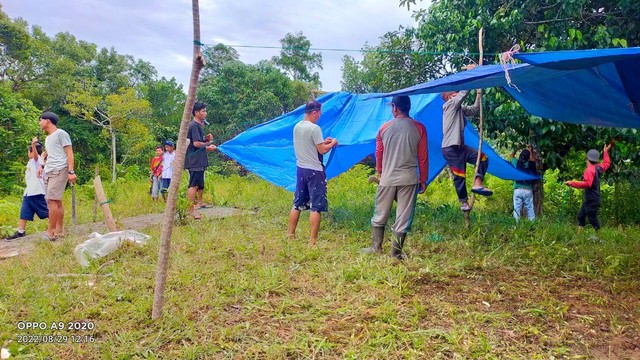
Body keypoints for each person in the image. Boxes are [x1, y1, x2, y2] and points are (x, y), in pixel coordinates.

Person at [363, 95, 428, 260]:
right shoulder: (419, 128)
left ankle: (375, 247)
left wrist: (379, 171)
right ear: (408, 107)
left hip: (387, 178)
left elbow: (379, 153)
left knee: (380, 213)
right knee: (403, 217)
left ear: (395, 108)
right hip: (409, 179)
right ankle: (396, 254)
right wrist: (423, 179)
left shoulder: (384, 128)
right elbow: (423, 157)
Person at [287, 100, 338, 245]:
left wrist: (324, 142)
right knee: (316, 206)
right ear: (314, 112)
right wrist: (333, 143)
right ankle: (312, 241)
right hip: (314, 171)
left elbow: (312, 145)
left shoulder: (297, 127)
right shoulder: (315, 129)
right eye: (320, 113)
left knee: (297, 203)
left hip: (301, 169)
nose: (320, 116)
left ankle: (290, 235)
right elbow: (321, 150)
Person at [441, 85, 491, 212]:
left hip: (461, 147)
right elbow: (463, 94)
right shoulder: (450, 105)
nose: (457, 94)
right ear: (448, 97)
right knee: (460, 175)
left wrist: (478, 95)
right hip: (450, 148)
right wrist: (472, 77)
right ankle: (463, 202)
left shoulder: (459, 108)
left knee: (483, 158)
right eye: (455, 93)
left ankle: (477, 183)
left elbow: (474, 110)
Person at [36, 112, 77, 240]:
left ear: (47, 121)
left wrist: (71, 171)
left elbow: (69, 152)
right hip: (49, 170)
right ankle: (59, 230)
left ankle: (50, 232)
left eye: (40, 120)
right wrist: (42, 166)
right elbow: (51, 153)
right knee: (56, 201)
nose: (39, 123)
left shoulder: (61, 134)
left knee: (51, 200)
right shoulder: (48, 138)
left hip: (60, 169)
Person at [4, 138, 49, 241]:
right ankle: (21, 231)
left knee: (45, 212)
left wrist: (33, 145)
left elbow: (36, 157)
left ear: (32, 152)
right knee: (24, 212)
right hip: (29, 192)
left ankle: (57, 225)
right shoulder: (31, 162)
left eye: (29, 151)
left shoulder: (37, 161)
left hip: (37, 192)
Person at [565, 144, 611, 232]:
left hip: (592, 199)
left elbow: (588, 184)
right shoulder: (599, 167)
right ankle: (579, 235)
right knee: (581, 216)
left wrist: (572, 183)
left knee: (593, 219)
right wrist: (605, 152)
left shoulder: (589, 170)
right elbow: (607, 163)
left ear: (587, 159)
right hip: (591, 198)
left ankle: (600, 237)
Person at [184, 102, 217, 219]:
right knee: (193, 185)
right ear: (196, 112)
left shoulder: (199, 126)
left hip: (199, 160)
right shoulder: (194, 126)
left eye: (205, 111)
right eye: (203, 111)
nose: (205, 113)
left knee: (197, 185)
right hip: (195, 161)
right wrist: (208, 143)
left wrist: (207, 143)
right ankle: (190, 210)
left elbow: (199, 144)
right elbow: (196, 144)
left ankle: (194, 206)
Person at [509, 146, 538, 222]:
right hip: (528, 190)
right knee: (530, 208)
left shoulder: (516, 163)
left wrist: (517, 147)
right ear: (528, 158)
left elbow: (511, 155)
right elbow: (533, 160)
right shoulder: (531, 164)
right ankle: (532, 224)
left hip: (517, 190)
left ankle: (516, 225)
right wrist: (530, 151)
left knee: (516, 209)